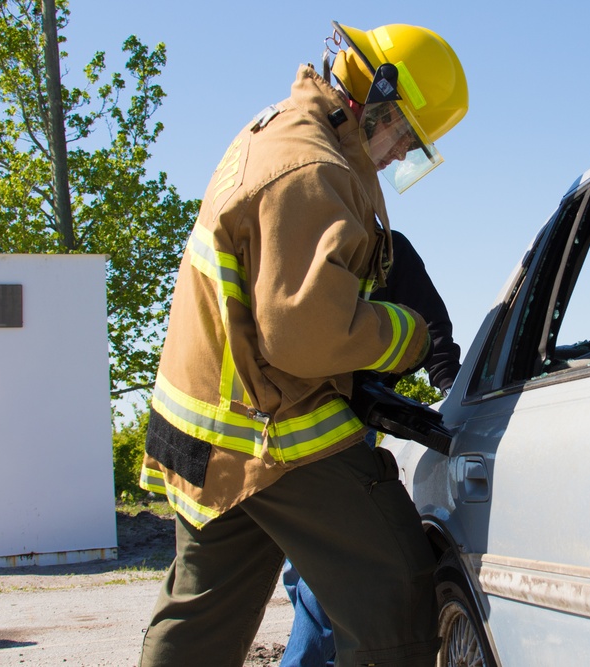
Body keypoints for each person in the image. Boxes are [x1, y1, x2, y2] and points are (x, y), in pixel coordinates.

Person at [137, 20, 468, 667]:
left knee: (199, 625)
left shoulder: (287, 134)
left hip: (206, 433)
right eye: (404, 131)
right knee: (396, 586)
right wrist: (405, 336)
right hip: (272, 430)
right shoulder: (311, 165)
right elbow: (302, 331)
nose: (401, 152)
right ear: (375, 93)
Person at [279, 229, 462, 667]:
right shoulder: (298, 239)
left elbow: (431, 322)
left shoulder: (389, 249)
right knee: (312, 568)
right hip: (285, 418)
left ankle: (314, 655)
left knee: (318, 568)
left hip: (338, 422)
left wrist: (452, 388)